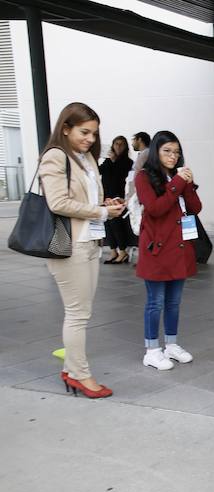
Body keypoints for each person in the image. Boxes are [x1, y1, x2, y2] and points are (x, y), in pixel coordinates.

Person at [41, 102, 125, 398]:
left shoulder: (86, 159)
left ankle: (72, 368)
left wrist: (106, 205)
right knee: (77, 314)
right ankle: (80, 375)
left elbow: (88, 200)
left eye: (94, 133)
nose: (90, 139)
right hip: (69, 244)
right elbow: (57, 203)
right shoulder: (55, 156)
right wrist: (100, 213)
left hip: (91, 242)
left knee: (82, 312)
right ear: (66, 129)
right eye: (84, 132)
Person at [135, 131, 201, 371]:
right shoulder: (144, 177)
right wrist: (177, 184)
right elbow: (154, 208)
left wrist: (188, 185)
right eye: (167, 151)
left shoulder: (178, 177)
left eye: (176, 152)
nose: (173, 156)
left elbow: (195, 207)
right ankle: (152, 350)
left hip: (179, 247)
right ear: (156, 152)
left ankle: (171, 345)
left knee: (174, 302)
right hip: (157, 249)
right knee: (156, 302)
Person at [99, 135, 133, 264]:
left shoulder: (127, 162)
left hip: (117, 196)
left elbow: (119, 176)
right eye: (116, 144)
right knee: (107, 224)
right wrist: (109, 160)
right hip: (105, 195)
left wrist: (114, 162)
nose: (118, 146)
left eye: (121, 144)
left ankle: (123, 251)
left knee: (116, 224)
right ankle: (113, 250)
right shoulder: (108, 160)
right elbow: (99, 171)